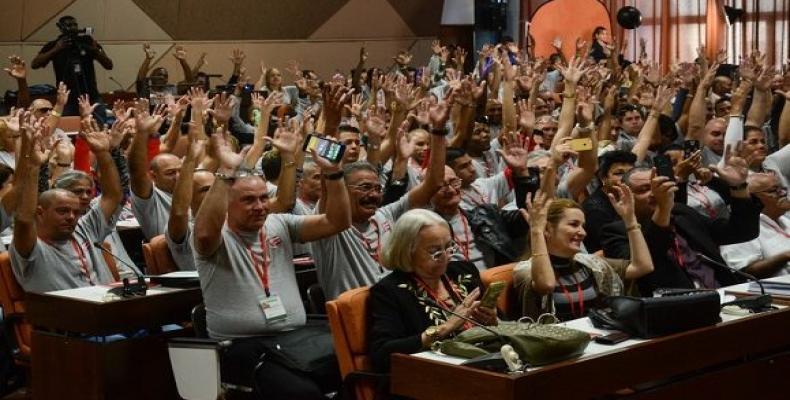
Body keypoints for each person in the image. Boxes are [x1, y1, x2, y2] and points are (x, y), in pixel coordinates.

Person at [192, 137, 351, 399]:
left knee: (358, 374)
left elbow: (337, 221)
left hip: (296, 340)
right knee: (304, 394)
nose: (260, 207)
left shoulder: (279, 224)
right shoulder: (215, 237)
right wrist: (225, 174)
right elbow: (205, 235)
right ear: (227, 204)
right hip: (243, 348)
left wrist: (333, 173)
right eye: (248, 200)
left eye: (264, 198)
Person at [600, 143, 762, 295]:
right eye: (644, 189)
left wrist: (738, 187)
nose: (655, 193)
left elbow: (742, 232)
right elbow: (648, 265)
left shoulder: (681, 213)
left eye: (658, 185)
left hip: (724, 294)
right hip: (675, 310)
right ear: (626, 196)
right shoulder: (616, 232)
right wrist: (663, 209)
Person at [513, 165, 653, 320]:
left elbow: (642, 267)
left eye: (582, 226)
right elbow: (546, 285)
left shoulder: (590, 264)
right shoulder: (525, 270)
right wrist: (537, 231)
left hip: (599, 338)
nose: (583, 232)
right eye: (574, 225)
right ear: (548, 229)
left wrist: (630, 220)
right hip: (555, 342)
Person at [368, 209, 495, 372]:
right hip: (432, 374)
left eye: (449, 247)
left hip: (485, 360)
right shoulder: (389, 291)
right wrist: (445, 328)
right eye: (435, 251)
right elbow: (382, 354)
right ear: (408, 250)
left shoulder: (464, 271)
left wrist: (493, 319)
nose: (445, 257)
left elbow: (501, 321)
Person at [11, 116, 122, 292]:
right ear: (40, 213)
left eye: (76, 212)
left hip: (111, 309)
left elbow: (113, 196)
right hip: (68, 316)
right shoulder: (31, 245)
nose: (71, 217)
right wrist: (33, 166)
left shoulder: (84, 228)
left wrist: (102, 153)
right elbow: (24, 220)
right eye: (62, 211)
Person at [31, 16, 113, 116]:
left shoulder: (86, 41)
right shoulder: (55, 44)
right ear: (61, 28)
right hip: (67, 99)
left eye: (75, 25)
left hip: (91, 96)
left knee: (99, 125)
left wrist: (95, 50)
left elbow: (109, 65)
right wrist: (56, 49)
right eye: (69, 25)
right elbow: (35, 64)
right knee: (69, 127)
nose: (73, 27)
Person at [720, 173, 790, 278]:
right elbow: (747, 273)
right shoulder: (739, 229)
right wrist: (786, 256)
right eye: (775, 190)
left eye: (782, 188)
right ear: (753, 198)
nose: (784, 193)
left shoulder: (785, 219)